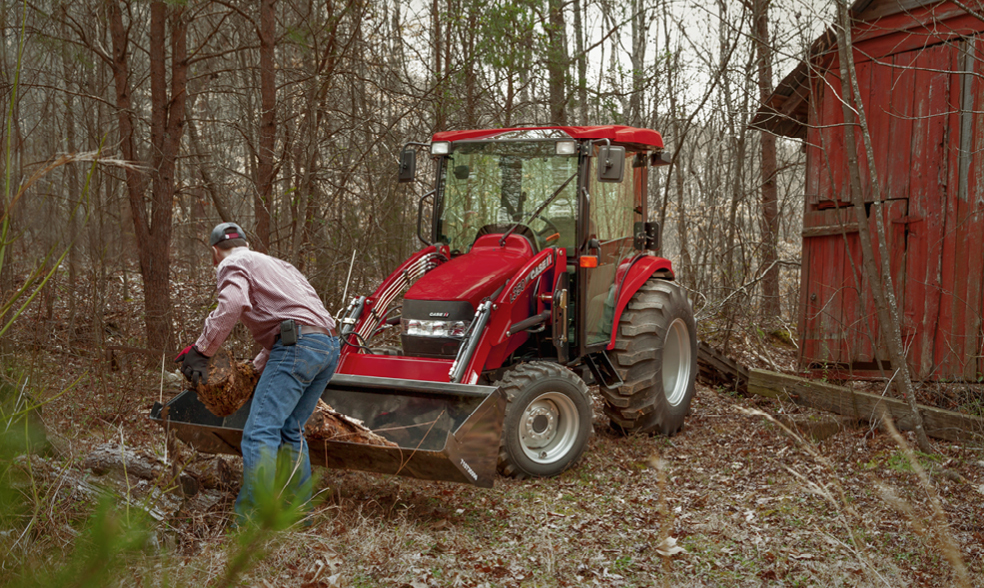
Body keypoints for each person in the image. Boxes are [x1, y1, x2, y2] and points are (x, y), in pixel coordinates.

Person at [176, 222, 339, 527]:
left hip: (299, 345)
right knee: (291, 430)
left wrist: (202, 351)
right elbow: (294, 320)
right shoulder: (279, 265)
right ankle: (298, 514)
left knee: (260, 432)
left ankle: (251, 519)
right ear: (246, 243)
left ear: (214, 252)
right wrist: (254, 369)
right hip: (328, 346)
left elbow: (234, 304)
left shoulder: (232, 263)